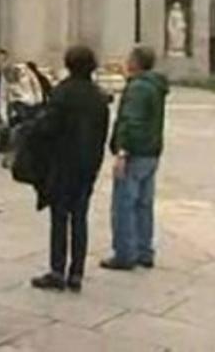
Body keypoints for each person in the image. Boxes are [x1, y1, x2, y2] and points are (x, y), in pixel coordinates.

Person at [28, 46, 110, 292]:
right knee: (80, 218)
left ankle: (57, 270)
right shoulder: (99, 97)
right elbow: (102, 134)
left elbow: (47, 128)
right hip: (87, 166)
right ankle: (76, 272)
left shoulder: (63, 93)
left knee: (60, 217)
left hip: (62, 165)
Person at [102, 46, 169, 271]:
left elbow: (131, 121)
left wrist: (122, 151)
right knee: (144, 204)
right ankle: (144, 250)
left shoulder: (137, 88)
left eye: (129, 58)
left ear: (136, 63)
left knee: (124, 204)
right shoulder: (155, 86)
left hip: (135, 152)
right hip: (151, 152)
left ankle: (124, 253)